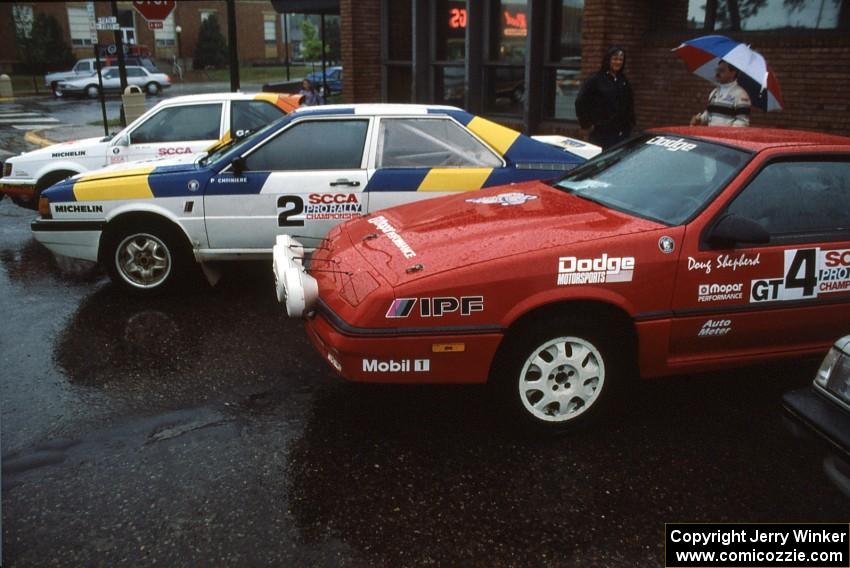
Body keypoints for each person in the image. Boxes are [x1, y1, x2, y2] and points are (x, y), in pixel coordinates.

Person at [574, 46, 635, 149]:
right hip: (601, 131)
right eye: (615, 59)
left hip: (621, 132)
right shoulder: (596, 80)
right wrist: (586, 124)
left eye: (621, 59)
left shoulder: (623, 80)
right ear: (608, 60)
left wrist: (631, 123)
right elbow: (580, 101)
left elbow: (629, 103)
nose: (618, 62)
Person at [690, 60, 751, 127]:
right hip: (710, 136)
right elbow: (709, 114)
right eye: (717, 70)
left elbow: (742, 122)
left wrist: (726, 134)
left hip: (725, 137)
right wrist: (699, 119)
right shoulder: (714, 92)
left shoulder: (741, 95)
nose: (718, 73)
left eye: (722, 70)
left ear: (733, 73)